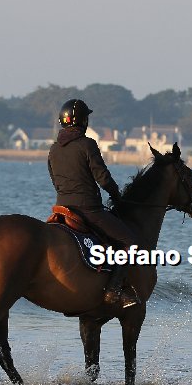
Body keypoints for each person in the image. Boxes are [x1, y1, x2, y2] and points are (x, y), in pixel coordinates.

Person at [48, 99, 139, 308]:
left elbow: (55, 181)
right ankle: (114, 290)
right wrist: (117, 197)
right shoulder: (87, 144)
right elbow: (103, 178)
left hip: (62, 208)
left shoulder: (53, 149)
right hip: (88, 209)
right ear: (83, 121)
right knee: (130, 242)